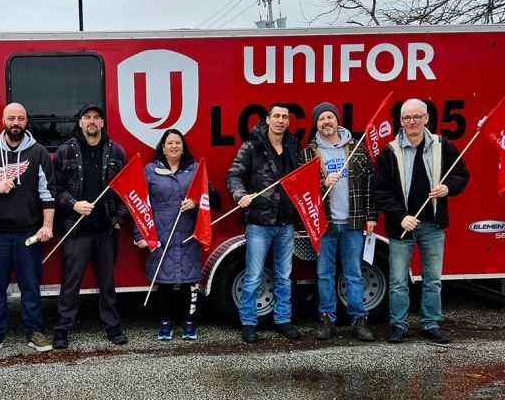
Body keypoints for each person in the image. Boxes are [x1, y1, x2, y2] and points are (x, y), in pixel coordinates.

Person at [374, 98, 469, 344]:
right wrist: (400, 216)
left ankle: (431, 325)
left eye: (417, 117)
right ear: (401, 121)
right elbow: (380, 191)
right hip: (401, 227)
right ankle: (398, 326)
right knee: (397, 281)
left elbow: (462, 174)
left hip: (433, 225)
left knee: (433, 280)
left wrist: (448, 187)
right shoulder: (390, 151)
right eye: (406, 118)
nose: (412, 122)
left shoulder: (442, 145)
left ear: (427, 118)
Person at [0, 102, 57, 356]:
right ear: (3, 121)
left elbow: (48, 192)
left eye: (20, 118)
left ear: (26, 121)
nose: (16, 123)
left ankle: (35, 332)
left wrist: (47, 225)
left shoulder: (38, 152)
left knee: (31, 286)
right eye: (11, 118)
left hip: (28, 233)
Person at [51, 105, 129, 349]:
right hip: (75, 229)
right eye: (87, 118)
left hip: (105, 229)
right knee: (71, 282)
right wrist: (73, 205)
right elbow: (56, 188)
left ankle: (112, 326)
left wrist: (118, 219)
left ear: (102, 123)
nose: (92, 122)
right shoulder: (64, 151)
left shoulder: (116, 151)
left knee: (108, 281)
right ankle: (62, 329)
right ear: (81, 123)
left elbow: (126, 191)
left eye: (96, 117)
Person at [226, 103, 303, 343]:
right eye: (276, 116)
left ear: (289, 121)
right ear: (267, 120)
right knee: (253, 275)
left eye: (285, 117)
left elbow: (303, 175)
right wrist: (240, 195)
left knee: (284, 276)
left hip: (286, 223)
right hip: (259, 223)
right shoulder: (251, 146)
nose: (281, 120)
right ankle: (249, 323)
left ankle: (283, 320)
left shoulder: (294, 145)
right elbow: (234, 175)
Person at [300, 102, 376, 342]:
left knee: (354, 273)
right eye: (321, 119)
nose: (326, 122)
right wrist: (322, 183)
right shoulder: (308, 153)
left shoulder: (356, 149)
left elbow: (370, 186)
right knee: (324, 273)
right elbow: (302, 190)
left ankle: (359, 319)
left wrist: (372, 216)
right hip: (325, 225)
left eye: (329, 117)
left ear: (337, 121)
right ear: (316, 124)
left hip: (353, 223)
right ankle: (327, 318)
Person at [134, 129, 219, 341]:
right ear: (162, 147)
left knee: (189, 281)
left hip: (188, 234)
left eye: (178, 143)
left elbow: (212, 200)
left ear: (183, 148)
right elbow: (139, 204)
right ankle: (165, 323)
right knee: (163, 281)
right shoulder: (150, 171)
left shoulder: (195, 170)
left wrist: (196, 201)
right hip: (160, 234)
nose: (174, 146)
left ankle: (189, 323)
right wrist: (140, 235)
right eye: (169, 143)